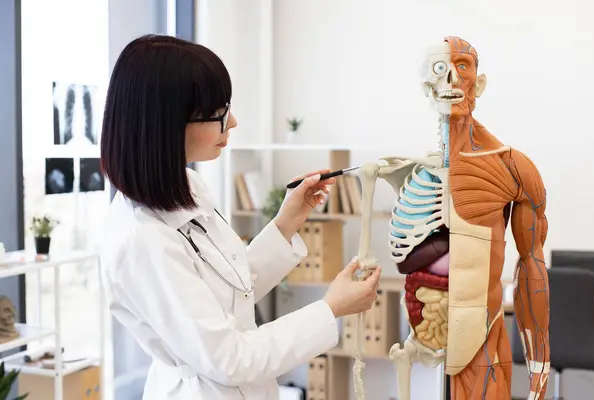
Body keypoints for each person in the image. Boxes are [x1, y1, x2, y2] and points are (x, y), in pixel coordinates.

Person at [99, 34, 382, 400]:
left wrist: (285, 223)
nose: (232, 122)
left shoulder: (186, 184)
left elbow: (228, 293)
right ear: (169, 124)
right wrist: (331, 308)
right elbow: (229, 358)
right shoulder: (141, 241)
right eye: (219, 113)